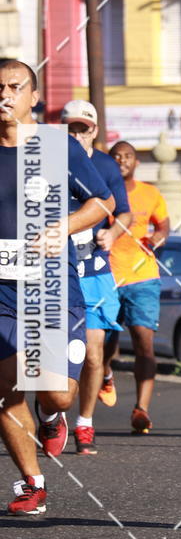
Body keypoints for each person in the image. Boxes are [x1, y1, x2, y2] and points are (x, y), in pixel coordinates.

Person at [0, 59, 114, 514]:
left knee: (56, 392)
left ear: (34, 96)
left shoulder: (55, 147)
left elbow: (102, 202)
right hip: (1, 291)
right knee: (6, 390)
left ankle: (51, 414)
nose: (4, 95)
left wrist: (60, 228)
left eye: (14, 87)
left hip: (50, 285)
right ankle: (33, 484)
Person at [60, 100, 132, 454]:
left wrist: (112, 234)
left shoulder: (105, 164)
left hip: (92, 269)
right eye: (70, 128)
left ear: (94, 130)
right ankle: (52, 411)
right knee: (48, 355)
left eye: (83, 128)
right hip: (52, 267)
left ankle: (84, 422)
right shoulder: (43, 159)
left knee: (92, 352)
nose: (77, 135)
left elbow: (124, 213)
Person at [102, 142, 170, 434]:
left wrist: (158, 238)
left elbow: (164, 225)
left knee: (144, 343)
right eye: (116, 156)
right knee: (103, 344)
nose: (122, 161)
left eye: (127, 156)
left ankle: (141, 409)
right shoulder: (101, 192)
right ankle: (104, 373)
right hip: (106, 276)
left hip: (143, 276)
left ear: (135, 162)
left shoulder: (150, 193)